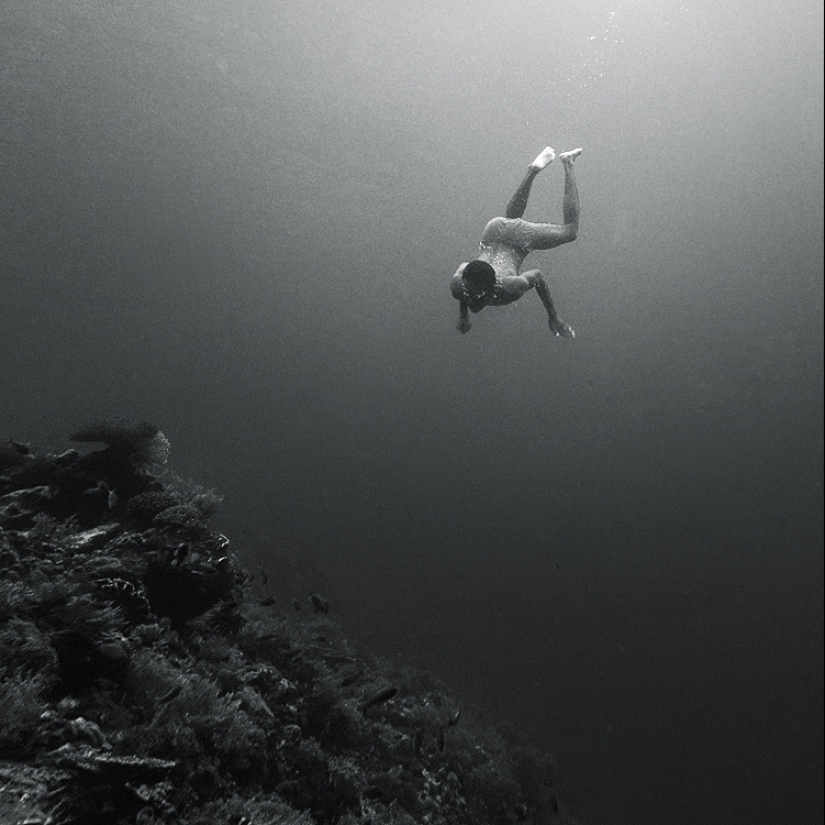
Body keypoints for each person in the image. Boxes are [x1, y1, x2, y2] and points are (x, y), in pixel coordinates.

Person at [450, 146, 582, 336]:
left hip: (519, 239)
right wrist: (463, 315)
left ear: (492, 288)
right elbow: (465, 270)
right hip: (493, 230)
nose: (470, 301)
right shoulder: (458, 287)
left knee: (571, 231)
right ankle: (533, 170)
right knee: (509, 219)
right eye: (467, 293)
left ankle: (568, 163)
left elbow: (537, 276)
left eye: (476, 296)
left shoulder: (509, 287)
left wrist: (553, 315)